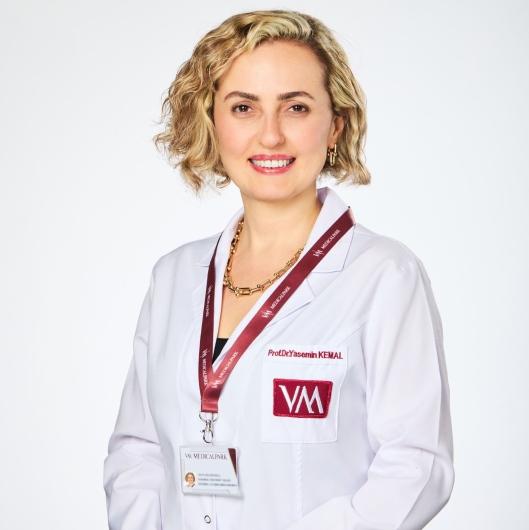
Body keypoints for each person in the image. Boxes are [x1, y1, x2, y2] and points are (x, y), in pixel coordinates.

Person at [104, 10, 454, 530]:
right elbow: (139, 450)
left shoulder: (384, 277)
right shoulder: (173, 276)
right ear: (213, 122)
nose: (270, 136)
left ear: (335, 125)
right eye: (244, 107)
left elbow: (416, 466)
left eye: (296, 107)